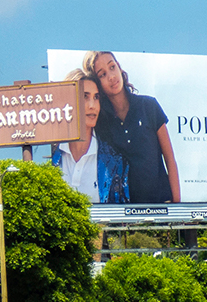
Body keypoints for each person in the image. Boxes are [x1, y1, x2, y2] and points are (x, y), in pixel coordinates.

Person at [84, 50, 180, 203]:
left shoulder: (149, 106)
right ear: (98, 84)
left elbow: (169, 158)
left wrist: (177, 206)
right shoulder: (100, 122)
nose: (111, 76)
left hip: (161, 207)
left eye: (112, 67)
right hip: (122, 215)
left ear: (119, 67)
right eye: (102, 74)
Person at [52, 68, 129, 203]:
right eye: (84, 97)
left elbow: (121, 217)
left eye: (96, 97)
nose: (92, 105)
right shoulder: (52, 158)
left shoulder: (114, 161)